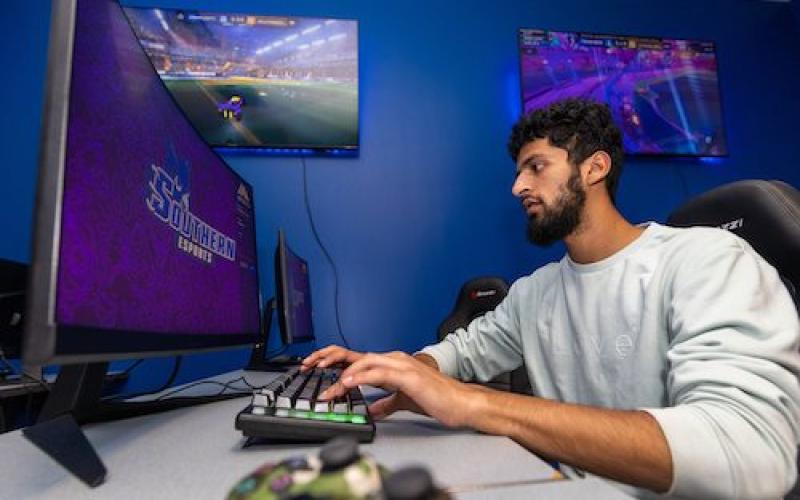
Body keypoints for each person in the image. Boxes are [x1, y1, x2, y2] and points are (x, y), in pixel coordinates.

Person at [301, 98, 800, 499]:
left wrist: (474, 403)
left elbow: (750, 456)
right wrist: (398, 368)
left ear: (595, 168)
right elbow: (459, 354)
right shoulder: (534, 292)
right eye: (519, 172)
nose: (519, 186)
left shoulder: (706, 260)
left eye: (536, 167)